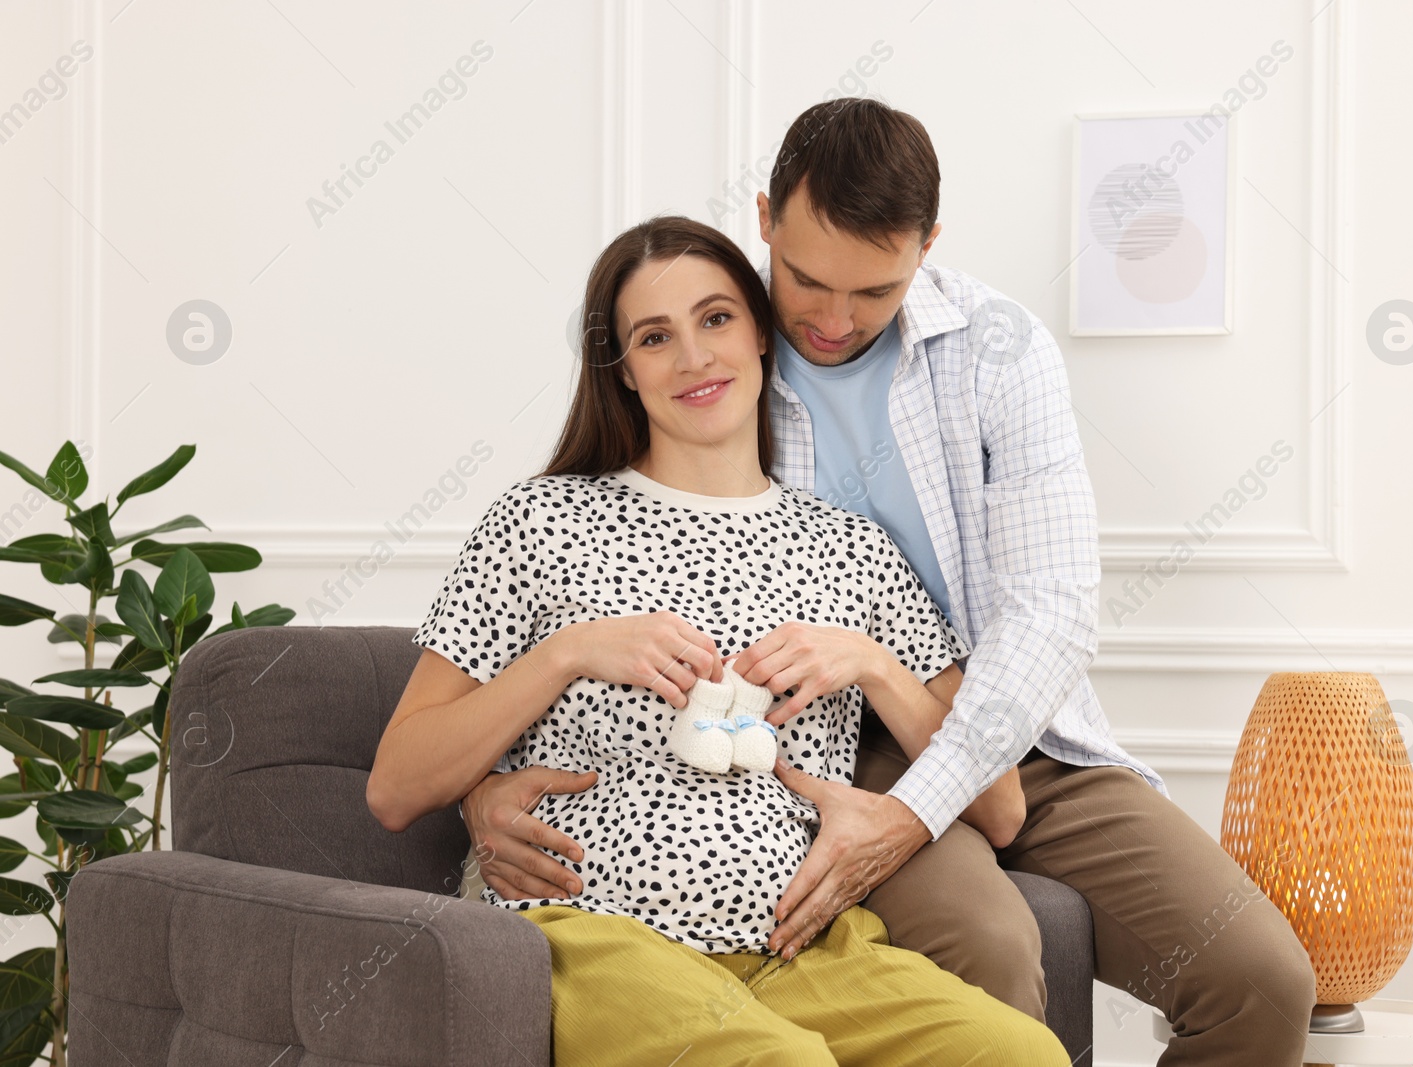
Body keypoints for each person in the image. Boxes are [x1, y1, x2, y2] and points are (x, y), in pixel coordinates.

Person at [461, 98, 1318, 1066]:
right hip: (821, 748)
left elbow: (1051, 605)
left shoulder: (1000, 346)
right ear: (765, 220)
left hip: (1015, 727)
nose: (831, 320)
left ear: (928, 247)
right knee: (990, 954)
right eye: (805, 280)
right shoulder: (718, 347)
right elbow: (586, 585)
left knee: (1262, 981)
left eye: (874, 290)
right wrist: (482, 786)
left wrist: (925, 795)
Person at [368, 214, 1070, 1066]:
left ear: (763, 335)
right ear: (623, 371)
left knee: (1018, 1055)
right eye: (655, 336)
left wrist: (875, 665)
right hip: (597, 935)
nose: (694, 357)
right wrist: (566, 653)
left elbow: (1001, 807)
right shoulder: (540, 520)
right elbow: (396, 787)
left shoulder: (852, 548)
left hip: (797, 945)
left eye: (716, 319)